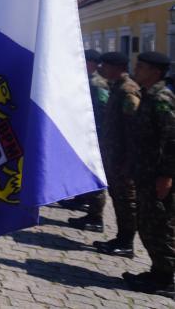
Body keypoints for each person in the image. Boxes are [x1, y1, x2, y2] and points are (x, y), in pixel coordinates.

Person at [123, 51, 175, 299]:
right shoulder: (148, 95)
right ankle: (157, 272)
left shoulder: (162, 98)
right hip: (145, 173)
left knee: (161, 227)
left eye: (141, 67)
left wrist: (166, 175)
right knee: (148, 224)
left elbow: (172, 140)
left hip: (158, 177)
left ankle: (167, 278)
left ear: (154, 71)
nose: (137, 69)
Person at [93, 51, 140, 257]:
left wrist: (129, 160)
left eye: (105, 65)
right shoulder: (116, 87)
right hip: (113, 154)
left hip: (122, 157)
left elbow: (134, 129)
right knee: (119, 198)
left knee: (126, 200)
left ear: (117, 67)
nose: (101, 68)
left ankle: (126, 242)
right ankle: (121, 238)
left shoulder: (128, 91)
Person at [67, 49, 110, 232]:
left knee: (95, 175)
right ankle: (84, 201)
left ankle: (95, 217)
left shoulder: (98, 83)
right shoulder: (88, 80)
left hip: (96, 136)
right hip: (86, 133)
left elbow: (102, 111)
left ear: (91, 63)